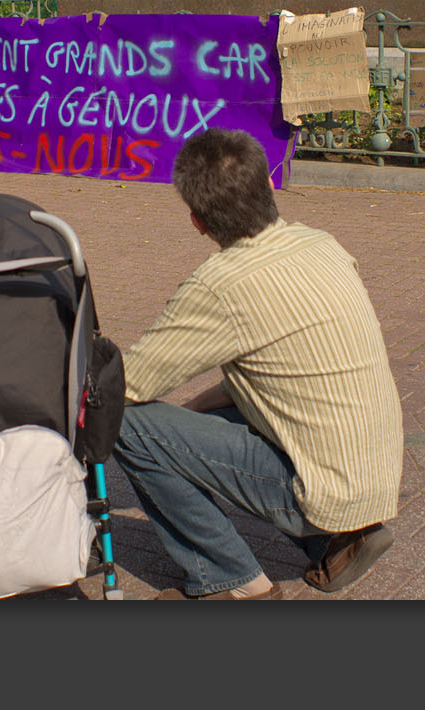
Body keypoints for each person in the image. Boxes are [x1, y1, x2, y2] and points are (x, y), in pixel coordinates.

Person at [113, 129, 404, 599]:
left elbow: (127, 386)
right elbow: (273, 379)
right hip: (373, 470)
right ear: (268, 187)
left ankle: (231, 583)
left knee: (125, 424)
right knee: (185, 423)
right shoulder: (321, 244)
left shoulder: (221, 285)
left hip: (321, 486)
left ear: (197, 222)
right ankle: (340, 540)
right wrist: (187, 419)